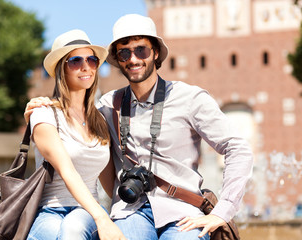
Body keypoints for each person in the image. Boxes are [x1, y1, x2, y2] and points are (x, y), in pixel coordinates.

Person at [25, 14, 253, 240]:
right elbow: (72, 118)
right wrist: (38, 108)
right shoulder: (108, 106)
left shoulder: (190, 98)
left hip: (182, 213)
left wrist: (222, 212)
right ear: (118, 59)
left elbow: (237, 148)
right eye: (124, 52)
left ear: (155, 52)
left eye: (141, 50)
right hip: (130, 212)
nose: (133, 59)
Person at [26, 29, 126, 240]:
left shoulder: (101, 120)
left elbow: (109, 183)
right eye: (75, 61)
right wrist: (101, 218)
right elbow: (67, 170)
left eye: (92, 60)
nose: (85, 66)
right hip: (49, 210)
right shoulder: (44, 114)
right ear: (61, 68)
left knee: (73, 227)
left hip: (87, 212)